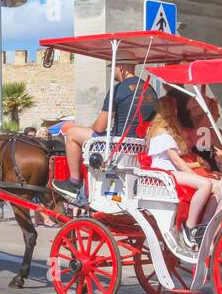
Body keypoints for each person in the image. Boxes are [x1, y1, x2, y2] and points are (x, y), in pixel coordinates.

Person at [55, 60, 157, 196]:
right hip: (140, 146)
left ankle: (74, 182)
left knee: (72, 133)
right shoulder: (149, 88)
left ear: (120, 67)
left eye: (112, 67)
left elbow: (99, 127)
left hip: (119, 145)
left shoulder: (118, 89)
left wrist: (90, 127)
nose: (110, 71)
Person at [146, 97, 221, 248]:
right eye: (174, 109)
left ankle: (205, 225)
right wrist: (194, 175)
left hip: (173, 171)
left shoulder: (167, 132)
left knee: (220, 187)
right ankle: (190, 227)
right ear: (169, 111)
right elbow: (176, 160)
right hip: (165, 172)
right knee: (205, 184)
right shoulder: (160, 132)